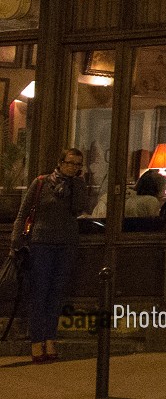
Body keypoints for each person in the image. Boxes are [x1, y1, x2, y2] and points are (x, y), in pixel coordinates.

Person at [10, 148, 87, 363]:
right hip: (41, 243)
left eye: (78, 164)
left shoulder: (77, 185)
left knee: (56, 294)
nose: (74, 167)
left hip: (67, 244)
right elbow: (22, 213)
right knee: (39, 293)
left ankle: (51, 339)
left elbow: (80, 208)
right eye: (70, 163)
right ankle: (37, 341)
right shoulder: (41, 183)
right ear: (60, 162)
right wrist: (15, 242)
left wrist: (78, 184)